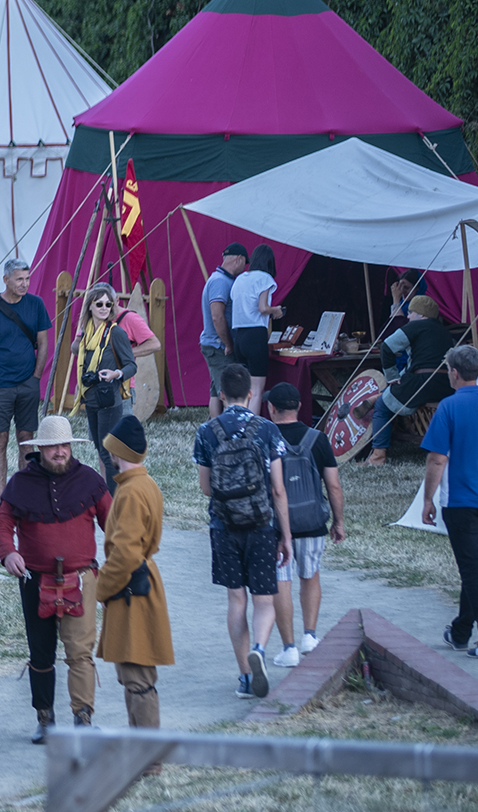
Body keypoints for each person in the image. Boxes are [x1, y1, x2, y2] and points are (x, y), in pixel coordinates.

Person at [0, 415, 110, 741]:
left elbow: (114, 525)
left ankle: (83, 720)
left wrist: (122, 565)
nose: (60, 451)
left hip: (81, 579)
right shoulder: (20, 483)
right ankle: (45, 721)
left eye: (64, 445)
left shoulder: (89, 480)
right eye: (53, 446)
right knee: (41, 653)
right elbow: (2, 524)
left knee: (80, 653)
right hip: (35, 580)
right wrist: (8, 553)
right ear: (40, 449)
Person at [193, 362, 291, 699]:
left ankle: (246, 678)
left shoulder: (206, 432)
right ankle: (260, 649)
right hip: (261, 524)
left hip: (224, 525)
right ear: (251, 394)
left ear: (221, 395)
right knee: (264, 600)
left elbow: (206, 488)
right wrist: (285, 535)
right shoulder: (267, 430)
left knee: (236, 600)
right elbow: (278, 489)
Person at [95, 414, 174, 728]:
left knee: (137, 677)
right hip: (140, 585)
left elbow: (125, 554)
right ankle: (140, 747)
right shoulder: (145, 484)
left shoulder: (130, 492)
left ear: (118, 452)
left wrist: (101, 589)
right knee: (136, 676)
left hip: (132, 592)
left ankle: (146, 752)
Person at [266, 382, 344, 667]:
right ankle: (310, 635)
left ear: (271, 408)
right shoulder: (318, 439)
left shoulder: (266, 438)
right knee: (310, 576)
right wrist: (338, 521)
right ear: (299, 407)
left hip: (276, 526)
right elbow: (333, 486)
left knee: (281, 582)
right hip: (312, 522)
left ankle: (288, 649)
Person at [0, 258, 54, 494]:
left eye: (27, 279)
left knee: (26, 439)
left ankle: (24, 495)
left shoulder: (36, 304)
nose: (25, 284)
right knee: (0, 439)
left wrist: (36, 377)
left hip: (28, 384)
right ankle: (2, 497)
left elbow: (44, 343)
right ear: (6, 280)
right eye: (19, 279)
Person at [422, 345, 478, 655]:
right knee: (475, 569)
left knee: (472, 570)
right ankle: (460, 632)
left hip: (462, 501)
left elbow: (437, 458)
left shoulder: (448, 407)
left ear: (455, 373)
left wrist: (428, 499)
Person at [367, 294, 455, 464]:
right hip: (445, 386)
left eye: (411, 312)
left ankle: (378, 456)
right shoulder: (445, 331)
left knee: (382, 405)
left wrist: (392, 377)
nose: (408, 317)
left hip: (421, 383)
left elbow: (387, 347)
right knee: (392, 393)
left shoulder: (415, 326)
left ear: (421, 315)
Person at [73, 283, 138, 489]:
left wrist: (115, 374)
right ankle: (111, 495)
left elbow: (131, 365)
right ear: (90, 306)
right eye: (99, 303)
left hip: (109, 399)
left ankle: (114, 499)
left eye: (108, 304)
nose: (104, 308)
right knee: (100, 450)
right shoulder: (86, 333)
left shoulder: (116, 332)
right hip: (91, 398)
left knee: (107, 452)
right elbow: (76, 351)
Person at [228, 243, 282, 410]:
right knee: (257, 390)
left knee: (244, 389)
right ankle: (252, 424)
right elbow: (263, 308)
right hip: (256, 335)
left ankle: (240, 419)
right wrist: (276, 310)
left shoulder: (240, 279)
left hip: (239, 336)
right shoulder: (265, 278)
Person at [200, 243, 249, 417]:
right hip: (219, 346)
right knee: (228, 391)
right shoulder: (220, 281)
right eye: (245, 263)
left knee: (216, 389)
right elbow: (217, 316)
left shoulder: (221, 279)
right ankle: (229, 426)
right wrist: (228, 344)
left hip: (215, 344)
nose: (244, 268)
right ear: (239, 259)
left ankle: (215, 425)